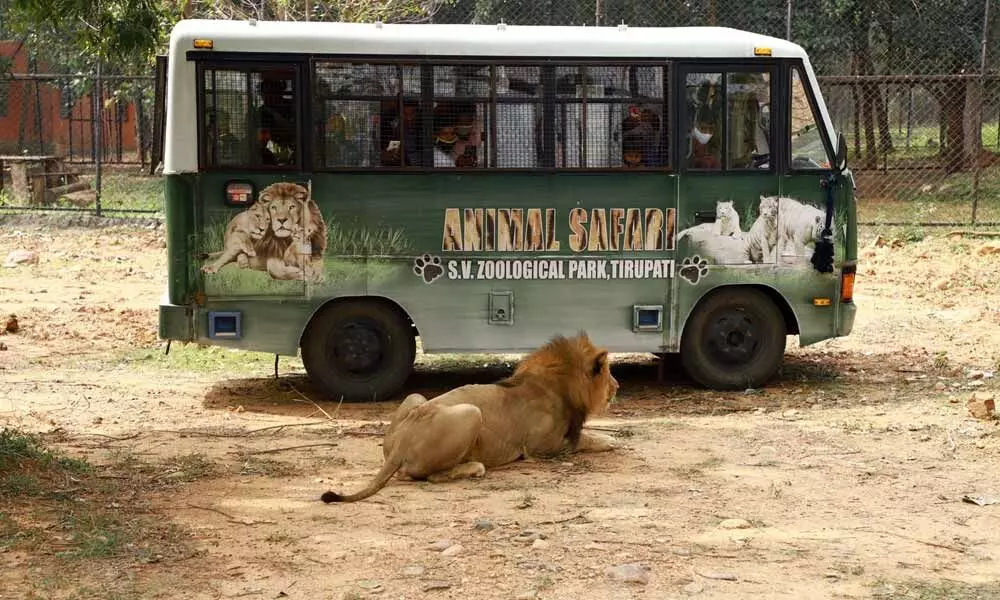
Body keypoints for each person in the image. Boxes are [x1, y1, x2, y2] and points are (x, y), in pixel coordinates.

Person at [257, 71, 296, 166]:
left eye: (270, 93)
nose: (266, 97)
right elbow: (260, 138)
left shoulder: (291, 107)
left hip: (294, 147)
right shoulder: (261, 112)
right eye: (264, 94)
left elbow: (294, 130)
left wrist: (274, 114)